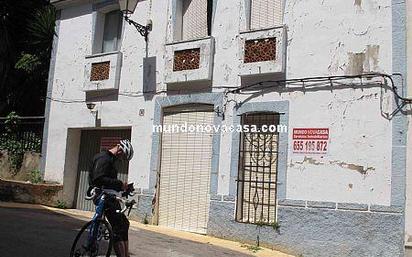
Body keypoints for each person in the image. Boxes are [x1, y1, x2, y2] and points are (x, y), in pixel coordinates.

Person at [88, 139, 134, 257]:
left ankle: (125, 255)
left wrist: (124, 189)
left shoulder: (110, 160)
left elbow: (109, 183)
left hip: (109, 196)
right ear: (119, 150)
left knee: (124, 223)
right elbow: (98, 179)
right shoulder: (103, 159)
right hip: (102, 196)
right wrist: (119, 184)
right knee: (118, 226)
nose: (121, 160)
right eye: (122, 157)